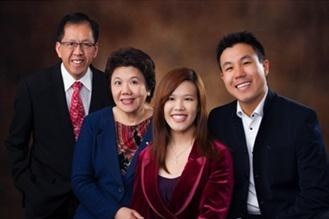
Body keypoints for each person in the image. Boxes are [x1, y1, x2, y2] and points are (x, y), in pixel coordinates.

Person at [208, 31, 329, 219]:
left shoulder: (300, 119)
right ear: (223, 77)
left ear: (265, 67)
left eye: (246, 63)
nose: (239, 74)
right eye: (229, 68)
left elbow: (316, 194)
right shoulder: (218, 120)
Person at [5, 12, 110, 219]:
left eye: (85, 44)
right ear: (58, 48)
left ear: (95, 50)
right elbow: (15, 144)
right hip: (46, 203)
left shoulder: (110, 87)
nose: (78, 52)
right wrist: (31, 189)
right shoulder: (33, 87)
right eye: (70, 43)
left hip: (97, 202)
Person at [131, 67, 234, 219]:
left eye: (188, 99)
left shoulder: (217, 155)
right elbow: (138, 212)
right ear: (162, 105)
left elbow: (213, 215)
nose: (179, 107)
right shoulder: (146, 156)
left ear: (199, 106)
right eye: (171, 99)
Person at [71, 47, 156, 219]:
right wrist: (115, 212)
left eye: (134, 82)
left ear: (148, 87)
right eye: (118, 83)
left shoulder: (163, 125)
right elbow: (80, 181)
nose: (125, 90)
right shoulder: (94, 123)